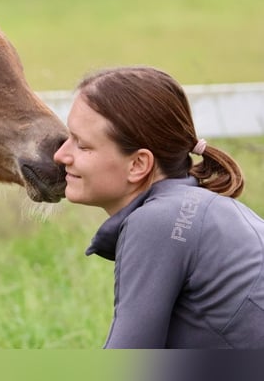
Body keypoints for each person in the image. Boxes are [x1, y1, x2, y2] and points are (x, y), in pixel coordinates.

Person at [53, 65, 264, 349]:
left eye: (83, 146)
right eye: (69, 138)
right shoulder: (206, 209)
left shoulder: (159, 221)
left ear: (138, 164)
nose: (60, 154)